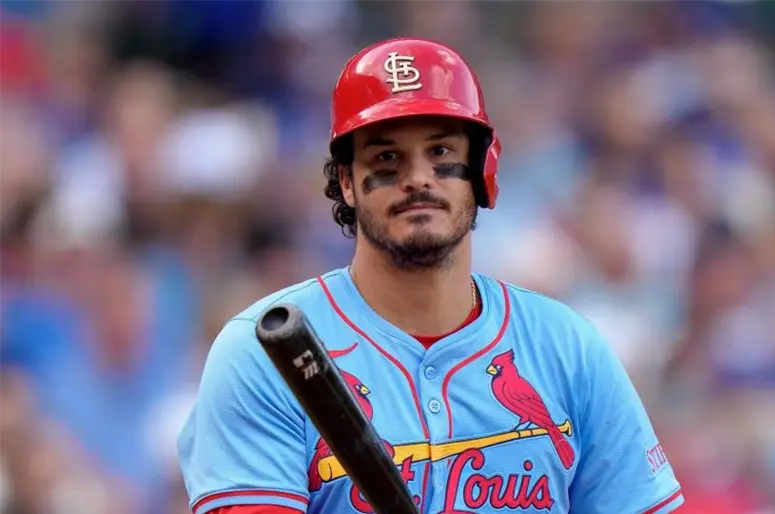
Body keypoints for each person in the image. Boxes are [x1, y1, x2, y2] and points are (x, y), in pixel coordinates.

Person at [177, 37, 684, 514]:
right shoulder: (264, 353)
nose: (418, 178)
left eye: (441, 152)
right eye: (387, 157)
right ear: (347, 182)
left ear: (481, 168)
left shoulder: (566, 346)